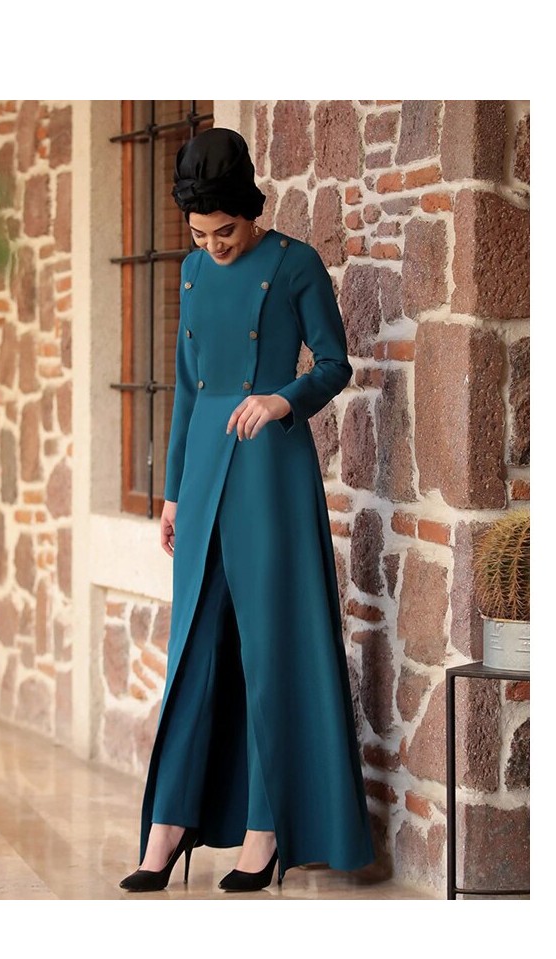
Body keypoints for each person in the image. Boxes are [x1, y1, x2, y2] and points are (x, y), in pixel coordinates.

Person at [119, 127, 375, 893]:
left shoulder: (295, 265)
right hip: (204, 471)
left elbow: (335, 363)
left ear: (250, 210)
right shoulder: (193, 272)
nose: (213, 246)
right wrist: (173, 492)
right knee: (195, 645)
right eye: (200, 234)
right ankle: (168, 826)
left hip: (269, 469)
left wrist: (283, 400)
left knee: (271, 646)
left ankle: (265, 829)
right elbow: (187, 386)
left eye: (224, 231)